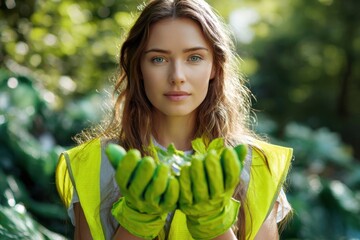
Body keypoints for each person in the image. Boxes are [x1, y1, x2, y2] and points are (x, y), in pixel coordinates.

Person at [55, 0, 293, 239]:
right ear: (138, 67)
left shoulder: (258, 165)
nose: (177, 76)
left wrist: (214, 223)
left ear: (214, 67)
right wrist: (137, 219)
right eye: (159, 59)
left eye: (194, 58)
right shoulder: (94, 163)